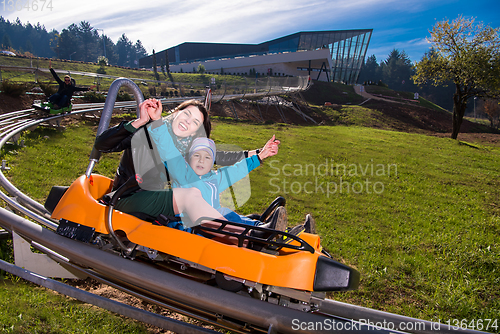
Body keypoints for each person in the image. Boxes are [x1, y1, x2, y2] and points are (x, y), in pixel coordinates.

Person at [94, 98, 289, 231]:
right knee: (192, 195)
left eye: (195, 122)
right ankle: (248, 234)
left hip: (155, 198)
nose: (188, 122)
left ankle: (255, 226)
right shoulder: (146, 131)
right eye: (187, 114)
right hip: (126, 196)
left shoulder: (184, 148)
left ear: (196, 132)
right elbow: (102, 144)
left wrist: (260, 154)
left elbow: (220, 157)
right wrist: (141, 120)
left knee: (206, 196)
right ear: (177, 112)